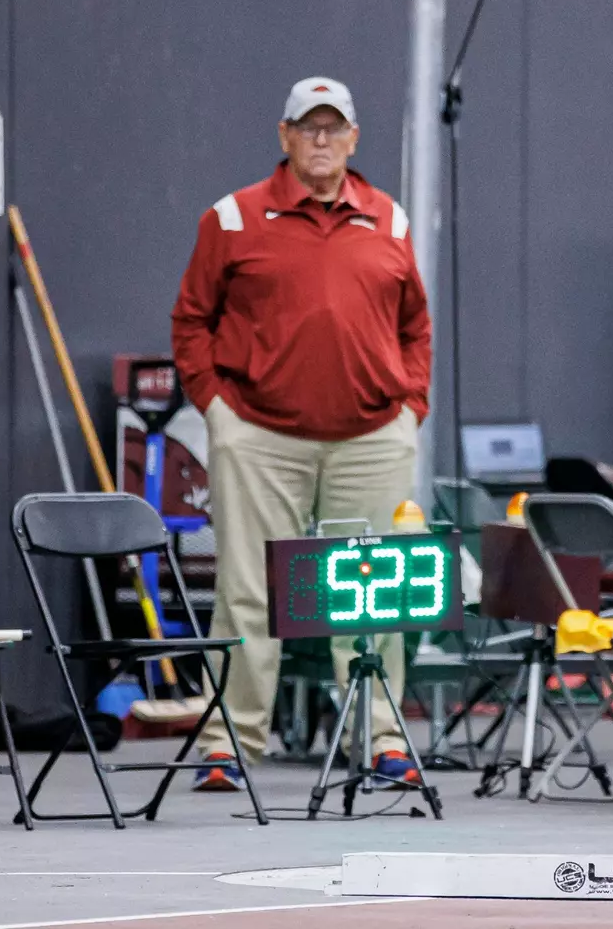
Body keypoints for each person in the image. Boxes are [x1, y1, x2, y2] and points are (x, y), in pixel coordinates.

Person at [171, 77, 432, 791]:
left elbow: (415, 326)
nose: (321, 141)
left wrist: (411, 405)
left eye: (333, 128)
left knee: (374, 592)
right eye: (307, 128)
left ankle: (382, 738)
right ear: (283, 136)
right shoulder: (231, 218)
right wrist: (217, 413)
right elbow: (191, 321)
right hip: (258, 435)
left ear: (354, 137)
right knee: (248, 590)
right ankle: (230, 746)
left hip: (373, 436)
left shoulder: (390, 220)